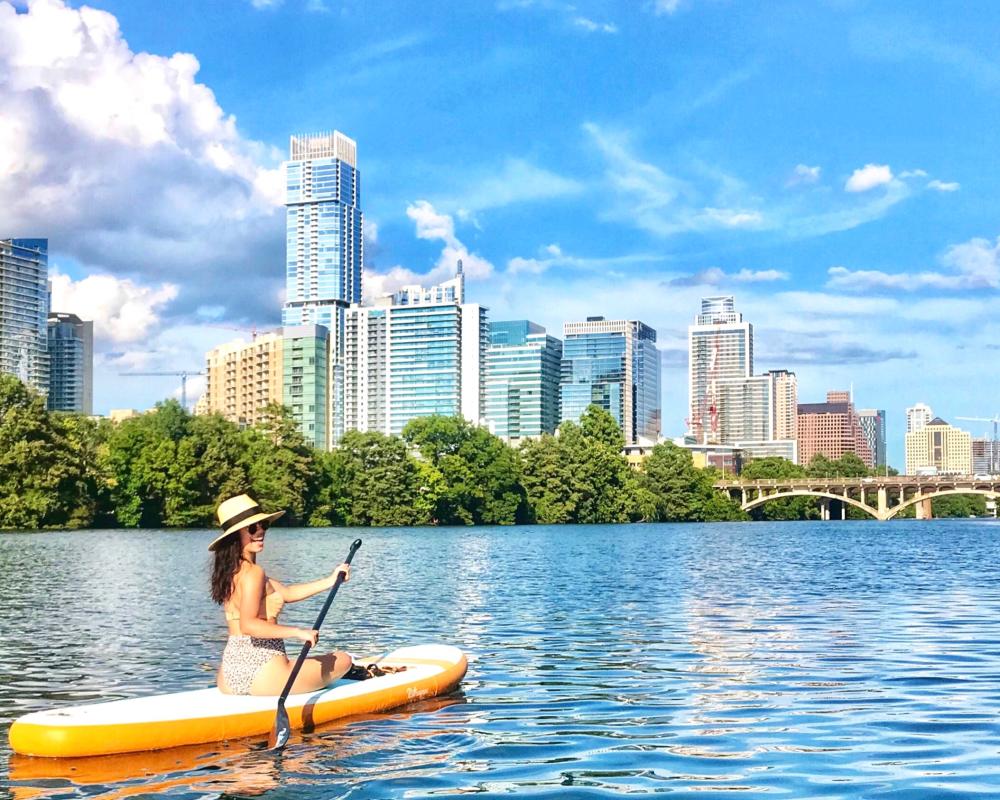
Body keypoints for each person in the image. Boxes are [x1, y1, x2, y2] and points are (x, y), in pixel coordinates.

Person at [209, 493, 358, 696]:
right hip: (264, 671)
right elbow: (249, 625)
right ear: (236, 536)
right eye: (253, 528)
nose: (261, 531)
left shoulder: (231, 571)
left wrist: (330, 581)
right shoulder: (254, 573)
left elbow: (286, 593)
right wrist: (298, 632)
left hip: (229, 673)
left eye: (264, 525)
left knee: (315, 661)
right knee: (343, 659)